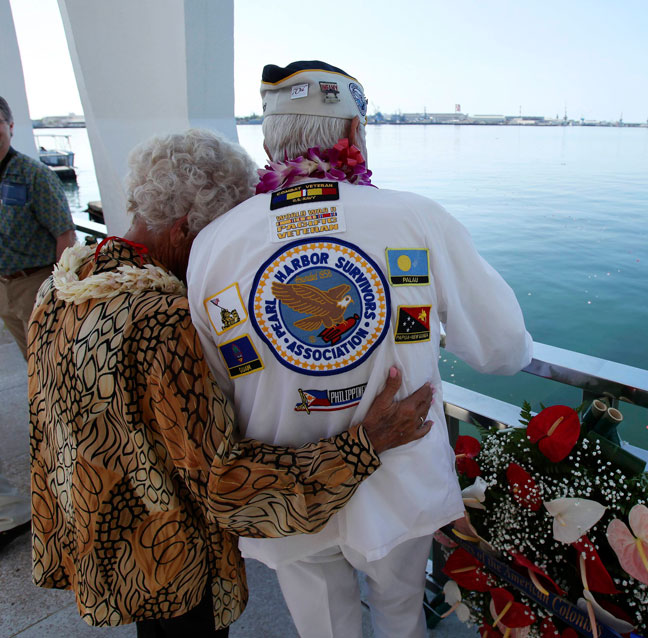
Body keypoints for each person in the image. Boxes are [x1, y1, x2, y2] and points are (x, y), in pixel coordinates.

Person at [27, 128, 434, 636]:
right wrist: (367, 444)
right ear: (182, 232)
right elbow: (225, 482)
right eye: (216, 235)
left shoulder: (63, 287)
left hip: (99, 532)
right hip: (170, 557)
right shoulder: (163, 322)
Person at [186, 61, 533, 638]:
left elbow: (214, 382)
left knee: (322, 627)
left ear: (269, 142)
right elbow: (501, 350)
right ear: (353, 136)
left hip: (285, 490)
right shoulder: (415, 218)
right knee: (400, 615)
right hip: (398, 482)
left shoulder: (215, 242)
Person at [0, 95, 76, 551]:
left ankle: (67, 444)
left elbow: (65, 235)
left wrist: (59, 292)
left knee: (51, 368)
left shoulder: (33, 175)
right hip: (3, 286)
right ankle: (51, 436)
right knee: (32, 369)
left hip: (33, 284)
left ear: (8, 125)